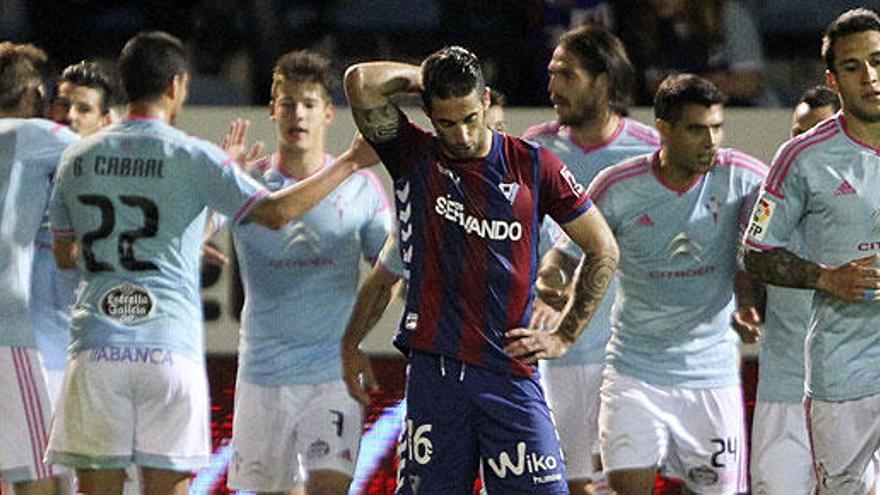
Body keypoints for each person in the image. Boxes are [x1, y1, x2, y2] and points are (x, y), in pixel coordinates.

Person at [44, 31, 379, 495]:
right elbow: (276, 212)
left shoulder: (75, 158)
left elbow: (65, 254)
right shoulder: (197, 157)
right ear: (178, 85)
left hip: (97, 346)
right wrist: (349, 162)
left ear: (122, 85)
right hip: (170, 351)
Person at [344, 46, 619, 494]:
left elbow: (603, 246)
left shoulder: (534, 165)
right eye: (447, 122)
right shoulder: (414, 156)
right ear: (429, 114)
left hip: (510, 372)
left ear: (487, 100)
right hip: (437, 375)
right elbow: (360, 81)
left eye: (471, 117)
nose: (463, 134)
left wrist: (565, 334)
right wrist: (427, 76)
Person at [546, 74, 766, 493]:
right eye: (696, 129)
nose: (711, 141)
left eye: (717, 128)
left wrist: (752, 299)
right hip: (634, 373)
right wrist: (550, 278)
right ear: (663, 128)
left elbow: (773, 239)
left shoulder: (743, 177)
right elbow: (565, 253)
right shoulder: (617, 186)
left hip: (711, 375)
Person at [224, 49, 392, 495]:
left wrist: (355, 337)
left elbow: (388, 274)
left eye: (309, 103)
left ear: (329, 113)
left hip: (330, 374)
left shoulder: (362, 187)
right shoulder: (245, 182)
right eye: (288, 102)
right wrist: (220, 185)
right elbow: (192, 240)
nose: (297, 113)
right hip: (262, 374)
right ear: (272, 110)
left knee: (326, 488)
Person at [742, 8, 880, 494]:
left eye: (878, 61)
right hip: (840, 371)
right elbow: (755, 251)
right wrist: (826, 278)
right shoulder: (802, 156)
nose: (871, 76)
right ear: (833, 78)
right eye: (853, 66)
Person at [521, 25, 659, 494]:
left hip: (623, 355)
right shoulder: (532, 151)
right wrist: (543, 283)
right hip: (551, 354)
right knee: (563, 485)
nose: (552, 86)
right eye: (551, 73)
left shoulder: (647, 152)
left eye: (567, 74)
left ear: (604, 81)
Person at [340, 88, 509, 406]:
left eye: (496, 130)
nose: (479, 139)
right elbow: (382, 281)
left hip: (508, 375)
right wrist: (350, 345)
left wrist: (558, 321)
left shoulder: (528, 200)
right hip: (438, 372)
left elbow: (559, 266)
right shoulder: (427, 209)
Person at [747, 84, 838, 495]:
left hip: (851, 389)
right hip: (783, 388)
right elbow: (746, 261)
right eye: (795, 132)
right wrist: (746, 302)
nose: (801, 145)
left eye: (813, 133)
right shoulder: (764, 199)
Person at [0, 40, 80, 495]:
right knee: (40, 482)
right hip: (8, 331)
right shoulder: (37, 135)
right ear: (32, 91)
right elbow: (101, 159)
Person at [32, 60, 117, 406]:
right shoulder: (22, 172)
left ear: (105, 121)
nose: (69, 116)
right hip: (24, 352)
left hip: (83, 355)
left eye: (84, 109)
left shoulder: (113, 188)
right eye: (63, 105)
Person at [615, 0, 774, 106]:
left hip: (750, 117)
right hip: (686, 121)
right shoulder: (648, 26)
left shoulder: (727, 14)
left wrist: (680, 85)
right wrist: (716, 81)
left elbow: (749, 84)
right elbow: (654, 86)